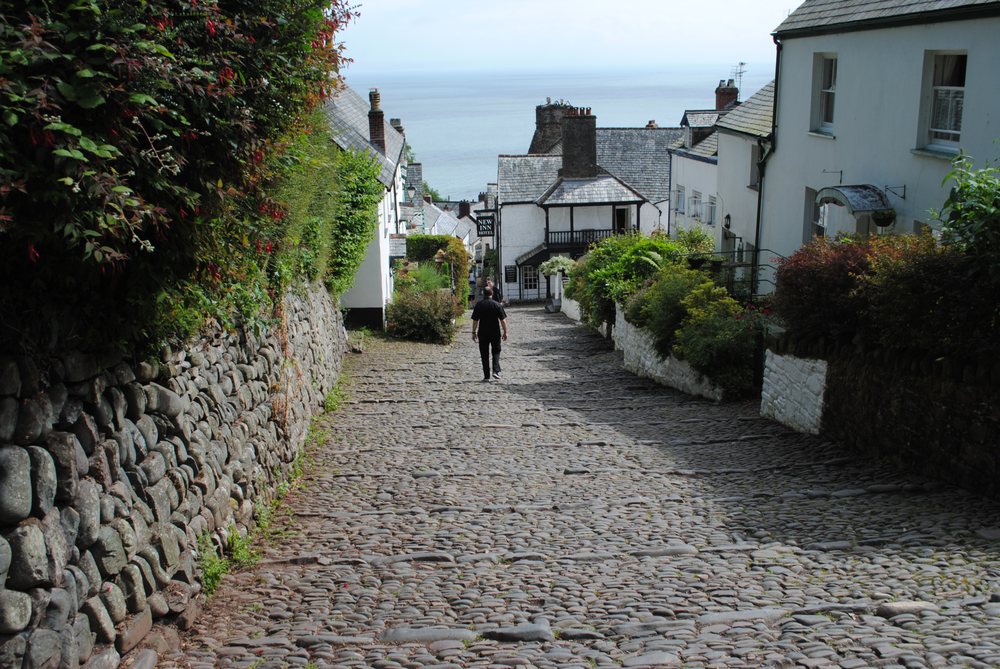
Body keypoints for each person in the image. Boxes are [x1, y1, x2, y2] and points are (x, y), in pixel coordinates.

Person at [471, 287, 508, 381]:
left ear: (483, 294)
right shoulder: (497, 305)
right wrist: (505, 332)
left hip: (482, 332)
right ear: (492, 294)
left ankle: (486, 375)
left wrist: (473, 332)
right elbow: (503, 320)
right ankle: (495, 371)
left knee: (484, 354)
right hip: (495, 332)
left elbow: (475, 320)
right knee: (496, 351)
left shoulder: (479, 305)